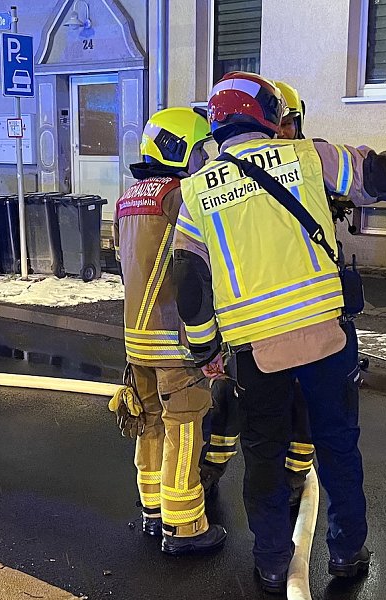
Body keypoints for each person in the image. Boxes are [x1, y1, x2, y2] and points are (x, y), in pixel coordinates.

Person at [173, 71, 386, 592]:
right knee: (338, 447)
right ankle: (347, 552)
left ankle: (272, 562)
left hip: (257, 350)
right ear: (267, 116)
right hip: (326, 334)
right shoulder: (308, 156)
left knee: (263, 452)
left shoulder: (194, 193)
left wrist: (204, 348)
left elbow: (188, 277)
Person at [110, 107, 226, 555]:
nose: (205, 161)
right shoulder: (181, 195)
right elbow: (197, 264)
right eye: (200, 151)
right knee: (184, 426)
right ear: (180, 150)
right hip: (176, 339)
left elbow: (125, 265)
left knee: (148, 423)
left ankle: (152, 511)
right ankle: (184, 526)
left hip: (135, 338)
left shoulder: (128, 198)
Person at [200, 80, 314, 506]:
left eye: (291, 124)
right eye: (279, 122)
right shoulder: (225, 179)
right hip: (247, 321)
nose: (283, 132)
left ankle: (294, 473)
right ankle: (212, 466)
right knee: (230, 400)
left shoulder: (308, 166)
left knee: (300, 405)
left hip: (301, 319)